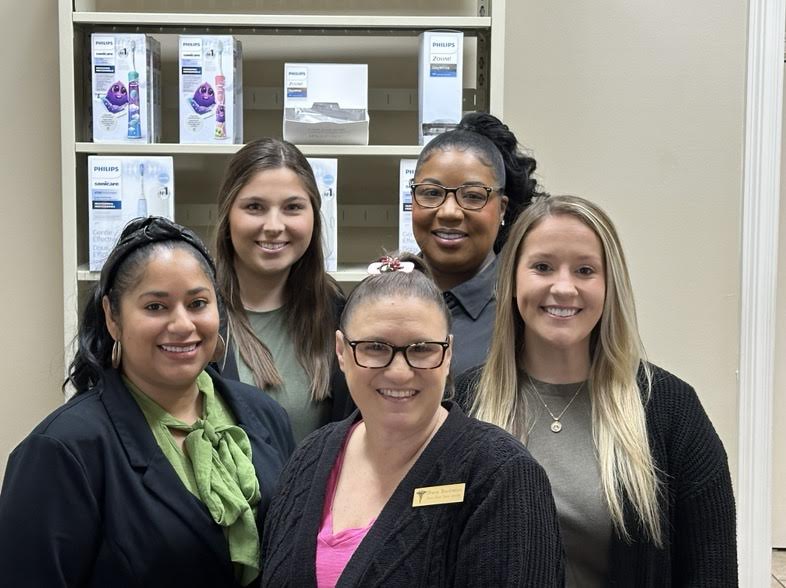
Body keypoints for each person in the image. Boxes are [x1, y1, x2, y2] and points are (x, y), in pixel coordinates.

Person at [455, 195, 737, 586]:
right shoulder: (465, 402)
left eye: (585, 270)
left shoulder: (671, 409)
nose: (564, 287)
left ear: (609, 286)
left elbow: (713, 573)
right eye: (542, 267)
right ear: (513, 280)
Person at [0, 217, 295, 587]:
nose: (183, 324)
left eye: (198, 303)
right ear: (113, 317)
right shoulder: (63, 450)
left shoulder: (265, 416)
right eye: (156, 307)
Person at [262, 254, 564, 587]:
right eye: (375, 347)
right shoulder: (308, 458)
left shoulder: (499, 475)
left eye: (421, 349)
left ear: (447, 354)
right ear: (341, 352)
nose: (400, 372)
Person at [214, 138, 352, 442]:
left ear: (313, 217)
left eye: (292, 207)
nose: (274, 225)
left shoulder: (339, 315)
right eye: (254, 207)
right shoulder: (198, 315)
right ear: (228, 216)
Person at [411, 112, 542, 377]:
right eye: (431, 193)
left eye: (472, 196)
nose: (449, 212)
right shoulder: (380, 298)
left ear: (502, 209)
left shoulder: (527, 313)